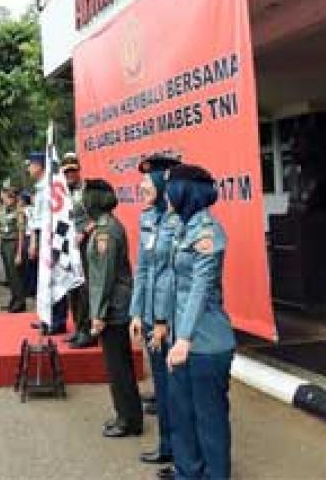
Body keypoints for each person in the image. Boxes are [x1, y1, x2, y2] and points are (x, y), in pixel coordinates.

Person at [164, 164, 235, 480]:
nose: (166, 195)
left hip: (205, 342)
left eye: (171, 188)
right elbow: (174, 285)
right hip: (182, 339)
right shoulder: (182, 226)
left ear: (184, 191)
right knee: (182, 414)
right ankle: (187, 473)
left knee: (209, 420)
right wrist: (165, 326)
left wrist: (183, 340)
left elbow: (200, 289)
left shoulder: (208, 231)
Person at [129, 155, 182, 476]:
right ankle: (167, 445)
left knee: (175, 389)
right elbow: (144, 268)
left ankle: (183, 453)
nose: (142, 187)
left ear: (164, 183)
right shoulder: (148, 218)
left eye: (148, 182)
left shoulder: (179, 221)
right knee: (161, 386)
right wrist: (138, 312)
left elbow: (175, 276)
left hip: (171, 320)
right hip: (150, 317)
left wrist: (162, 320)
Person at [85, 178, 143, 438]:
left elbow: (103, 276)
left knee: (118, 366)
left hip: (113, 306)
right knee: (119, 365)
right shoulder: (103, 227)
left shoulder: (105, 232)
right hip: (116, 303)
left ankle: (128, 420)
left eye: (87, 198)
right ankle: (126, 415)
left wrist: (98, 314)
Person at [27, 151, 68, 333]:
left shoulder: (50, 187)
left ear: (39, 166)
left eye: (31, 164)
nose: (29, 168)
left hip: (51, 239)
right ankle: (47, 317)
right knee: (44, 280)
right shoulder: (41, 187)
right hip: (44, 238)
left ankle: (57, 321)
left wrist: (35, 242)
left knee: (55, 279)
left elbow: (45, 219)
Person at [62, 153, 95, 348]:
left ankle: (88, 331)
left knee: (85, 289)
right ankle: (78, 327)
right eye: (66, 171)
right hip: (68, 247)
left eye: (73, 170)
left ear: (79, 170)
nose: (70, 174)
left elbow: (99, 216)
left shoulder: (88, 191)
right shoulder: (62, 193)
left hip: (85, 243)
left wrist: (83, 232)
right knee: (72, 288)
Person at [0, 188, 26, 312]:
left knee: (16, 274)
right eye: (4, 198)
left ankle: (20, 301)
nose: (5, 200)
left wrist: (19, 253)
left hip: (14, 243)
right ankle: (13, 299)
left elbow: (21, 232)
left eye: (7, 197)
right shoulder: (2, 210)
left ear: (13, 198)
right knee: (9, 274)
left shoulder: (19, 211)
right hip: (4, 243)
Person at [19, 191, 37, 298]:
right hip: (33, 237)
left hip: (28, 236)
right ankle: (32, 287)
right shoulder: (33, 209)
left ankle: (29, 288)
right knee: (32, 265)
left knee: (28, 265)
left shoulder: (25, 210)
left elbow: (22, 225)